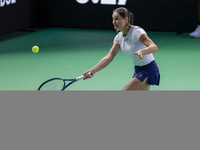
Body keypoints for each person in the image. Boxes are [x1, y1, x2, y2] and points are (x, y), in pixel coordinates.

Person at [83, 7, 160, 90]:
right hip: (138, 69)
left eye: (117, 19)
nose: (114, 22)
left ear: (126, 19)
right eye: (113, 19)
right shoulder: (118, 38)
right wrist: (92, 71)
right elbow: (109, 57)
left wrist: (142, 51)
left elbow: (154, 47)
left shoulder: (136, 32)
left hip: (148, 69)